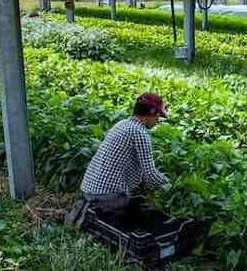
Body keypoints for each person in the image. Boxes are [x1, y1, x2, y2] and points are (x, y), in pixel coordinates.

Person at [66, 92, 171, 227]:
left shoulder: (122, 124)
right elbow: (150, 174)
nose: (158, 120)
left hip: (88, 190)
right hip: (106, 196)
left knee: (134, 195)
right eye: (158, 115)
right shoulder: (140, 133)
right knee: (136, 212)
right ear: (151, 112)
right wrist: (169, 187)